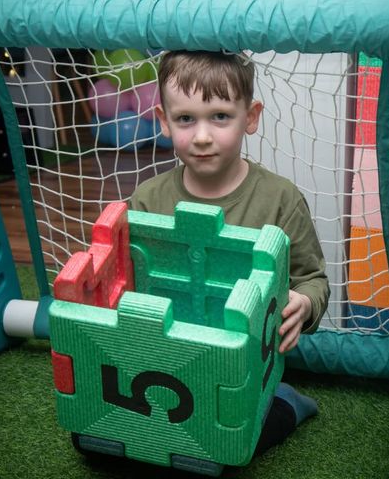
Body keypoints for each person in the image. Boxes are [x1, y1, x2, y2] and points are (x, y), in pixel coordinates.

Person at [130, 50, 330, 456]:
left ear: (250, 117)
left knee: (229, 447)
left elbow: (313, 278)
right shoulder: (147, 199)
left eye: (220, 116)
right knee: (100, 440)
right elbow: (129, 282)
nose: (202, 135)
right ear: (164, 121)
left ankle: (287, 401)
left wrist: (304, 303)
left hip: (246, 366)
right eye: (186, 119)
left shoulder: (280, 200)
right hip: (167, 358)